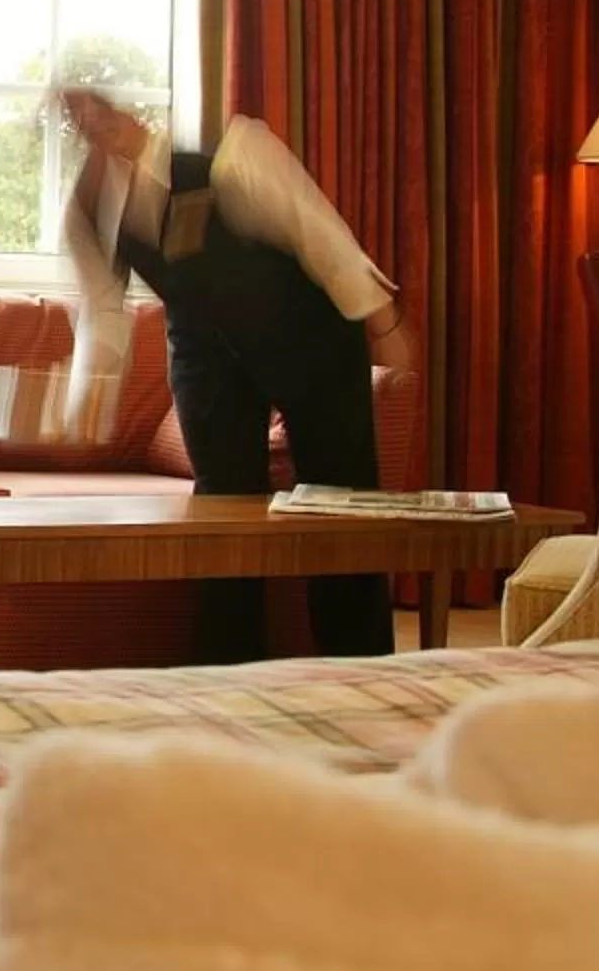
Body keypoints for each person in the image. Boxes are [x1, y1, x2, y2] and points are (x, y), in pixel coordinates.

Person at [47, 89, 417, 661]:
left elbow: (316, 231)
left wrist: (383, 324)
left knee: (341, 502)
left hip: (306, 336)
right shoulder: (88, 211)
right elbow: (101, 311)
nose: (94, 128)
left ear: (128, 109)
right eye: (79, 123)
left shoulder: (231, 153)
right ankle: (227, 665)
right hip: (203, 356)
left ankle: (355, 660)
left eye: (102, 112)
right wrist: (84, 405)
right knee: (223, 509)